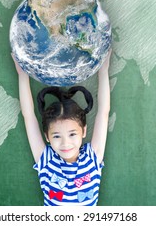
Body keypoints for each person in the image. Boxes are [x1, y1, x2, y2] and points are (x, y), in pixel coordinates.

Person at [12, 51, 111, 205]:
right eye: (57, 136)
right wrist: (22, 75)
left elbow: (103, 114)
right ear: (47, 136)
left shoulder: (93, 157)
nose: (65, 143)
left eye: (72, 134)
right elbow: (29, 116)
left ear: (83, 131)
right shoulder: (46, 160)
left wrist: (103, 71)